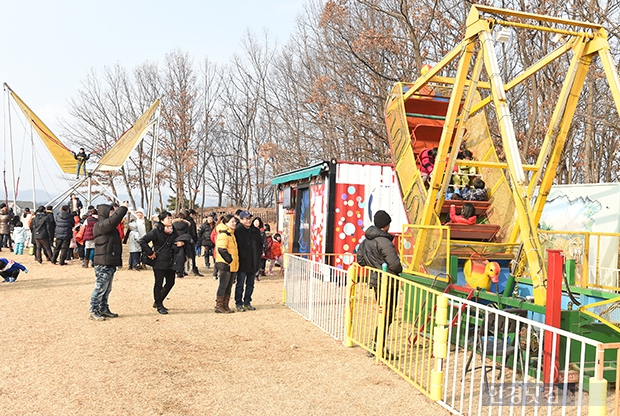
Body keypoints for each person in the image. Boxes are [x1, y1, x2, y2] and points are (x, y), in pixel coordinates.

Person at [356, 210, 403, 360]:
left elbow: (360, 261)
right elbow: (395, 265)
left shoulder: (365, 241)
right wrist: (400, 268)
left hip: (377, 282)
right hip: (389, 283)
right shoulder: (384, 241)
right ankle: (377, 346)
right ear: (386, 225)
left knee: (383, 314)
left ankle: (377, 345)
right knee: (387, 315)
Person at [89, 201, 128, 321]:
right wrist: (123, 208)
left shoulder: (108, 226)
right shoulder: (101, 225)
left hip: (109, 261)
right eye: (111, 212)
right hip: (103, 262)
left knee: (107, 288)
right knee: (100, 287)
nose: (113, 214)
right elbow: (113, 220)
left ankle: (103, 308)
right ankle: (93, 310)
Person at [139, 211, 182, 315]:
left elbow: (175, 241)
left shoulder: (173, 230)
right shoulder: (156, 230)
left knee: (171, 282)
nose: (170, 220)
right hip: (159, 261)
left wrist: (180, 243)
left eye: (171, 218)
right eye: (168, 218)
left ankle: (158, 300)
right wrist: (150, 253)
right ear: (162, 220)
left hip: (171, 261)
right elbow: (142, 241)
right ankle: (159, 305)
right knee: (158, 283)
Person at [234, 210, 262, 312]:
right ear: (241, 220)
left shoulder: (255, 231)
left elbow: (259, 244)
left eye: (250, 218)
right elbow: (238, 246)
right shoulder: (238, 230)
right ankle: (238, 303)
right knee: (240, 284)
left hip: (254, 261)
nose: (248, 220)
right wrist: (243, 256)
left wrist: (258, 256)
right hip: (243, 262)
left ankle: (247, 302)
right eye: (246, 218)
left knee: (250, 284)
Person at [214, 214, 239, 314]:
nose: (234, 223)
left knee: (228, 286)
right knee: (223, 285)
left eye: (235, 222)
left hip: (231, 264)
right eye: (232, 222)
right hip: (225, 263)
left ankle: (225, 305)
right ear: (226, 223)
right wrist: (229, 260)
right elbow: (221, 249)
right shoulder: (223, 234)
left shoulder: (231, 234)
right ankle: (219, 305)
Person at [186, 209, 202, 276]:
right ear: (191, 214)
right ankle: (194, 270)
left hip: (184, 241)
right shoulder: (191, 222)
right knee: (192, 256)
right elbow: (193, 233)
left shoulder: (184, 221)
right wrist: (195, 240)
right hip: (191, 241)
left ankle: (185, 270)